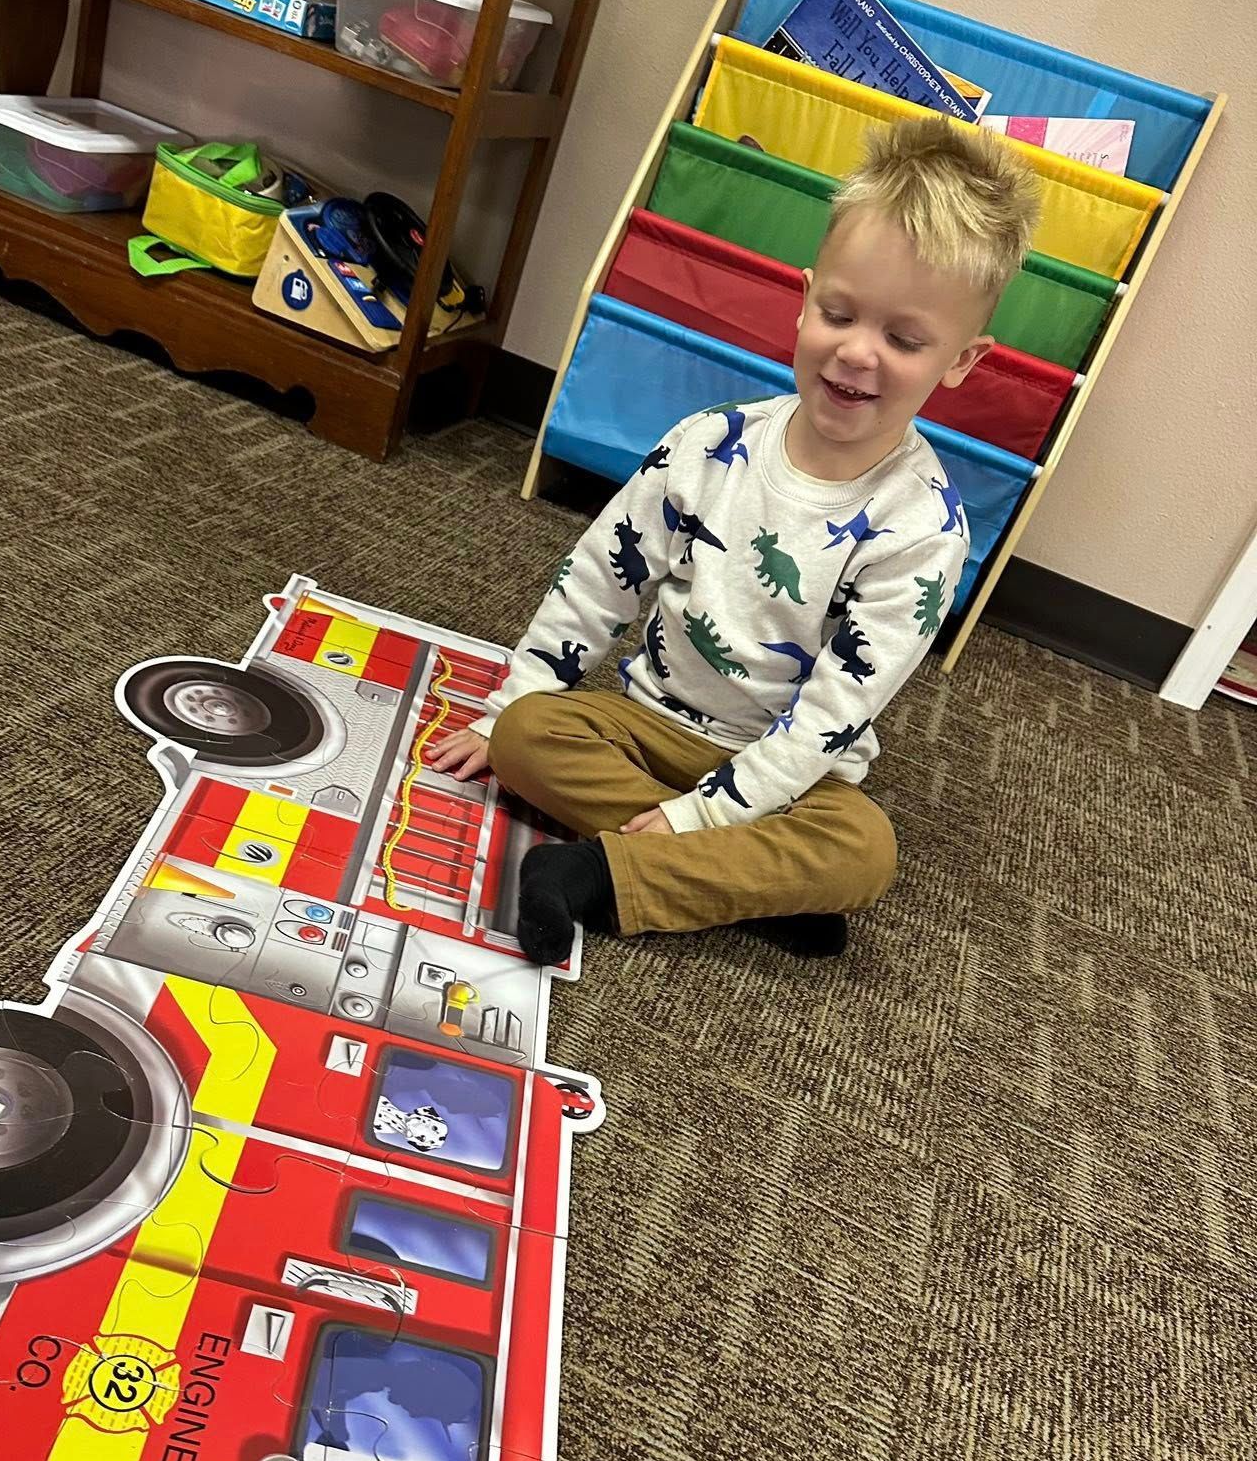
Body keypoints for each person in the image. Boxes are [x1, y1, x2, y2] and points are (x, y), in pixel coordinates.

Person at [427, 117, 1041, 965]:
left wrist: (708, 811)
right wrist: (505, 709)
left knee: (863, 851)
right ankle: (741, 886)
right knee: (532, 735)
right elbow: (600, 581)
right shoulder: (707, 441)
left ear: (963, 361)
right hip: (648, 726)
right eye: (838, 313)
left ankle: (607, 874)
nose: (858, 352)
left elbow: (834, 712)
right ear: (803, 298)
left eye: (903, 339)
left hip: (793, 774)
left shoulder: (923, 527)